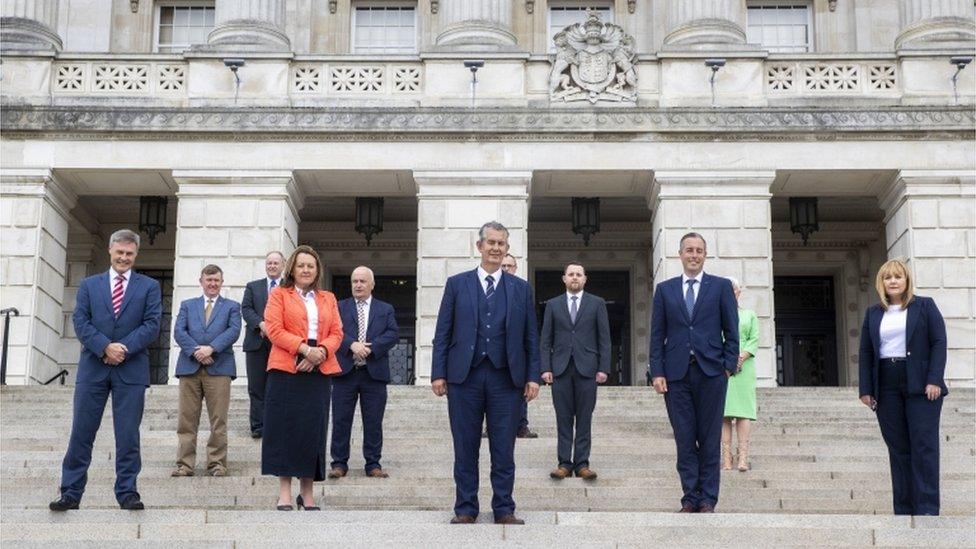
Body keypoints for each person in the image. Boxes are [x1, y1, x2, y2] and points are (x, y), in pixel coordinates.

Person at [431, 221, 541, 525]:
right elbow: (443, 332)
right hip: (464, 378)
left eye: (501, 244)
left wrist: (533, 376)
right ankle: (466, 507)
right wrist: (438, 373)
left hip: (506, 379)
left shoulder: (521, 289)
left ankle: (504, 508)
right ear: (479, 247)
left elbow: (531, 336)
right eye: (490, 242)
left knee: (503, 448)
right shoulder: (457, 284)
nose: (495, 248)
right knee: (465, 446)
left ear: (506, 248)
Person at [50, 229, 162, 511]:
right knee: (81, 433)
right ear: (111, 251)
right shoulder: (90, 285)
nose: (124, 258)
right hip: (93, 369)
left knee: (128, 436)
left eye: (129, 254)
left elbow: (152, 325)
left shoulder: (148, 286)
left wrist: (122, 348)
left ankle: (127, 492)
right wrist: (104, 347)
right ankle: (71, 492)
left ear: (135, 255)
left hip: (131, 369)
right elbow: (81, 322)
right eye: (120, 252)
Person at [649, 232, 738, 514]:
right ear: (680, 254)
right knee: (685, 438)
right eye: (689, 250)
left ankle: (708, 499)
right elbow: (656, 335)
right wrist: (657, 371)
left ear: (705, 255)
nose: (694, 255)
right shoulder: (665, 290)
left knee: (710, 438)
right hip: (676, 376)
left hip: (711, 373)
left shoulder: (721, 287)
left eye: (699, 250)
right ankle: (690, 496)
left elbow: (732, 332)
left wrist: (727, 366)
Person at [859, 258, 947, 516]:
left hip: (921, 383)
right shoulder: (874, 313)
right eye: (888, 278)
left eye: (898, 276)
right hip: (886, 382)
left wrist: (934, 379)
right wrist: (866, 388)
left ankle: (927, 509)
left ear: (906, 280)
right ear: (881, 283)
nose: (893, 281)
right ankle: (904, 509)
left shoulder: (925, 306)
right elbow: (865, 351)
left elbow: (939, 342)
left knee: (924, 445)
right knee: (898, 448)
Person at [262, 245, 343, 511]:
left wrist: (319, 352)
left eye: (311, 265)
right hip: (286, 368)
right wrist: (303, 349)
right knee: (284, 430)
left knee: (312, 431)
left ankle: (307, 492)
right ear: (292, 269)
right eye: (301, 265)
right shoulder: (279, 295)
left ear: (317, 270)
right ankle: (285, 491)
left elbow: (337, 332)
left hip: (319, 369)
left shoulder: (328, 298)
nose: (306, 270)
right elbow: (274, 329)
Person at [540, 263, 611, 481]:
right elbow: (545, 339)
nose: (574, 278)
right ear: (564, 278)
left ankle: (582, 464)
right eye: (571, 274)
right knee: (563, 418)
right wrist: (545, 368)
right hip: (560, 369)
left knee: (584, 418)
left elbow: (604, 339)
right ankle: (564, 463)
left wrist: (604, 368)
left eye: (578, 275)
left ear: (585, 279)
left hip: (587, 368)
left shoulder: (597, 303)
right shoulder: (552, 305)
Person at [329, 266, 400, 479]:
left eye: (362, 281)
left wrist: (371, 348)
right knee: (341, 420)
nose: (358, 285)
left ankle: (373, 464)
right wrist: (352, 345)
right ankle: (339, 464)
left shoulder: (385, 309)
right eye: (354, 281)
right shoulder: (339, 307)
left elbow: (393, 334)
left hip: (374, 374)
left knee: (373, 421)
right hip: (345, 373)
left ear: (372, 284)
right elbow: (333, 331)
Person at [171, 264, 242, 478]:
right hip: (189, 367)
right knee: (186, 420)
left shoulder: (232, 306)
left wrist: (211, 348)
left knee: (218, 420)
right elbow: (178, 331)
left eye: (216, 280)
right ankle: (185, 464)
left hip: (219, 368)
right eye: (208, 280)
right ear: (201, 281)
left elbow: (234, 331)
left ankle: (217, 464)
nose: (212, 284)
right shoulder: (187, 305)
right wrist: (196, 351)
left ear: (221, 282)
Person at [483, 253, 537, 439]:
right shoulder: (487, 289)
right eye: (503, 266)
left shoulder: (523, 290)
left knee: (520, 397)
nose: (506, 269)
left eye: (509, 266)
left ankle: (521, 426)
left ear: (515, 268)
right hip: (492, 357)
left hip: (516, 357)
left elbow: (530, 332)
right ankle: (490, 427)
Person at [241, 251, 285, 439]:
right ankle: (258, 426)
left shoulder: (290, 288)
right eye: (269, 263)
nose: (272, 266)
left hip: (282, 345)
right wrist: (261, 324)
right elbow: (246, 309)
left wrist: (276, 329)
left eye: (276, 263)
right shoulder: (253, 287)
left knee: (279, 386)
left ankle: (276, 425)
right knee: (256, 386)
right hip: (257, 342)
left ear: (283, 265)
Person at [721, 277, 758, 472]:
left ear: (738, 293)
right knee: (724, 414)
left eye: (733, 291)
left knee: (743, 413)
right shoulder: (717, 316)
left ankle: (743, 457)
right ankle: (726, 458)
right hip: (723, 368)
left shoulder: (749, 315)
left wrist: (741, 357)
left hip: (745, 367)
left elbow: (754, 339)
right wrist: (728, 360)